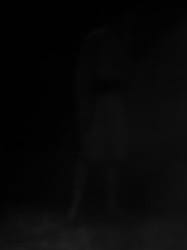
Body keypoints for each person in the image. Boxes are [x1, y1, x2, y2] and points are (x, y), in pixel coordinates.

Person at [68, 21, 131, 220]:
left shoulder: (119, 40)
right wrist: (85, 106)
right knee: (87, 154)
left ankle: (111, 205)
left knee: (114, 154)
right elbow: (83, 74)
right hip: (96, 101)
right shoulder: (94, 40)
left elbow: (123, 72)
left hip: (113, 100)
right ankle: (75, 206)